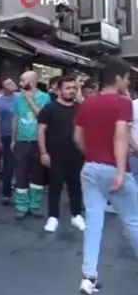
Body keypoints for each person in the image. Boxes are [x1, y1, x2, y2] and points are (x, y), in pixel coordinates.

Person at [74, 57, 138, 295]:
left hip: (90, 169)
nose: (128, 82)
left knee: (93, 224)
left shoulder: (87, 103)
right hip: (113, 170)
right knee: (133, 221)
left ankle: (88, 277)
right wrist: (121, 171)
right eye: (127, 78)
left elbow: (78, 139)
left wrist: (92, 157)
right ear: (119, 77)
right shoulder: (123, 103)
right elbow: (120, 137)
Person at [37, 75, 86, 233]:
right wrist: (43, 152)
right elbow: (41, 131)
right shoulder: (49, 109)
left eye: (74, 88)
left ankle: (76, 215)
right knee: (55, 186)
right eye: (68, 88)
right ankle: (53, 217)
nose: (72, 91)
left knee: (76, 186)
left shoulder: (80, 108)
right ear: (59, 90)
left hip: (76, 153)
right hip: (55, 154)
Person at [12, 71, 51, 219]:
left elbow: (42, 117)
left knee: (38, 175)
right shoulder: (17, 98)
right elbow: (15, 118)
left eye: (23, 81)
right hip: (22, 142)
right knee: (21, 174)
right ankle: (21, 206)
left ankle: (35, 206)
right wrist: (13, 140)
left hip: (38, 142)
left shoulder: (45, 97)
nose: (20, 84)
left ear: (32, 82)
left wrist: (29, 99)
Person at [0, 77, 18, 205]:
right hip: (6, 136)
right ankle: (6, 193)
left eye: (13, 82)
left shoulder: (21, 98)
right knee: (7, 165)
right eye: (9, 83)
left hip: (22, 136)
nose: (12, 84)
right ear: (3, 87)